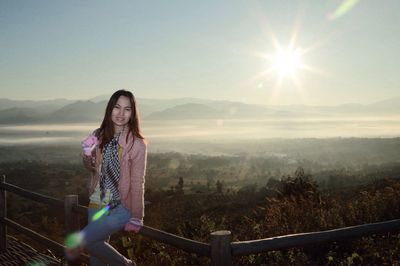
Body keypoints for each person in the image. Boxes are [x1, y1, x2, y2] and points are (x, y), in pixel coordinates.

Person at [78, 90, 147, 265]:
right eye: (117, 107)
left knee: (83, 241)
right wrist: (87, 153)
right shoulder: (99, 134)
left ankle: (126, 264)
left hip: (120, 207)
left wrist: (137, 216)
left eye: (127, 109)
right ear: (110, 109)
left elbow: (138, 182)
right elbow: (91, 168)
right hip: (96, 201)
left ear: (133, 113)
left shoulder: (137, 144)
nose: (121, 114)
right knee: (96, 255)